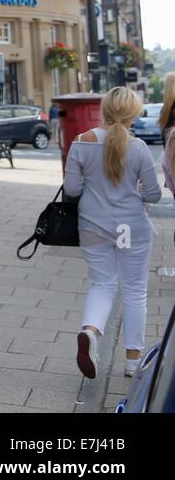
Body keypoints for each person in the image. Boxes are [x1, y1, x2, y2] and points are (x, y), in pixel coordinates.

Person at [64, 87, 163, 380]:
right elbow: (155, 195)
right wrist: (138, 191)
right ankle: (133, 361)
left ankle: (90, 331)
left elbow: (71, 190)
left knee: (102, 285)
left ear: (103, 110)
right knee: (134, 290)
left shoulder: (81, 143)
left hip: (94, 225)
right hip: (131, 227)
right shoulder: (139, 148)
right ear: (134, 113)